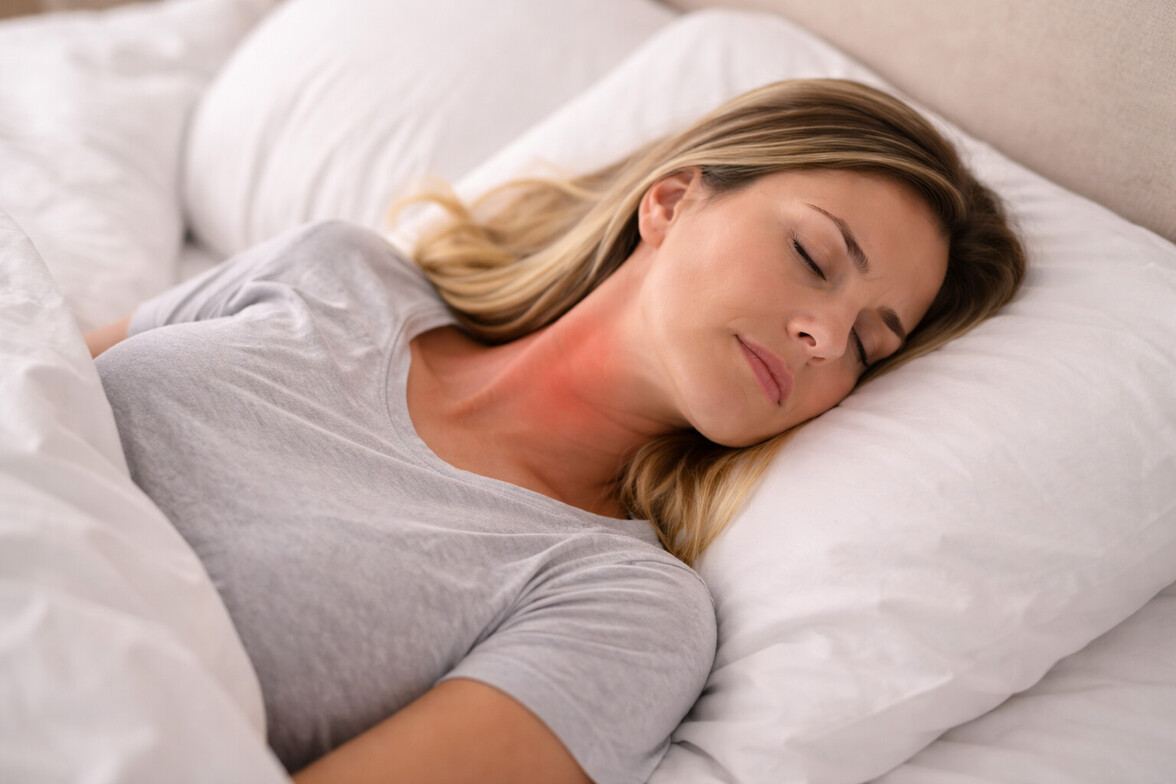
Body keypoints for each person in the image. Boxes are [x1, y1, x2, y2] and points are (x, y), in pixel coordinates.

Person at [87, 79, 1025, 784]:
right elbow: (32, 374)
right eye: (814, 255)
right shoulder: (332, 271)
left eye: (868, 343)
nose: (825, 339)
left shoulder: (621, 608)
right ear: (672, 201)